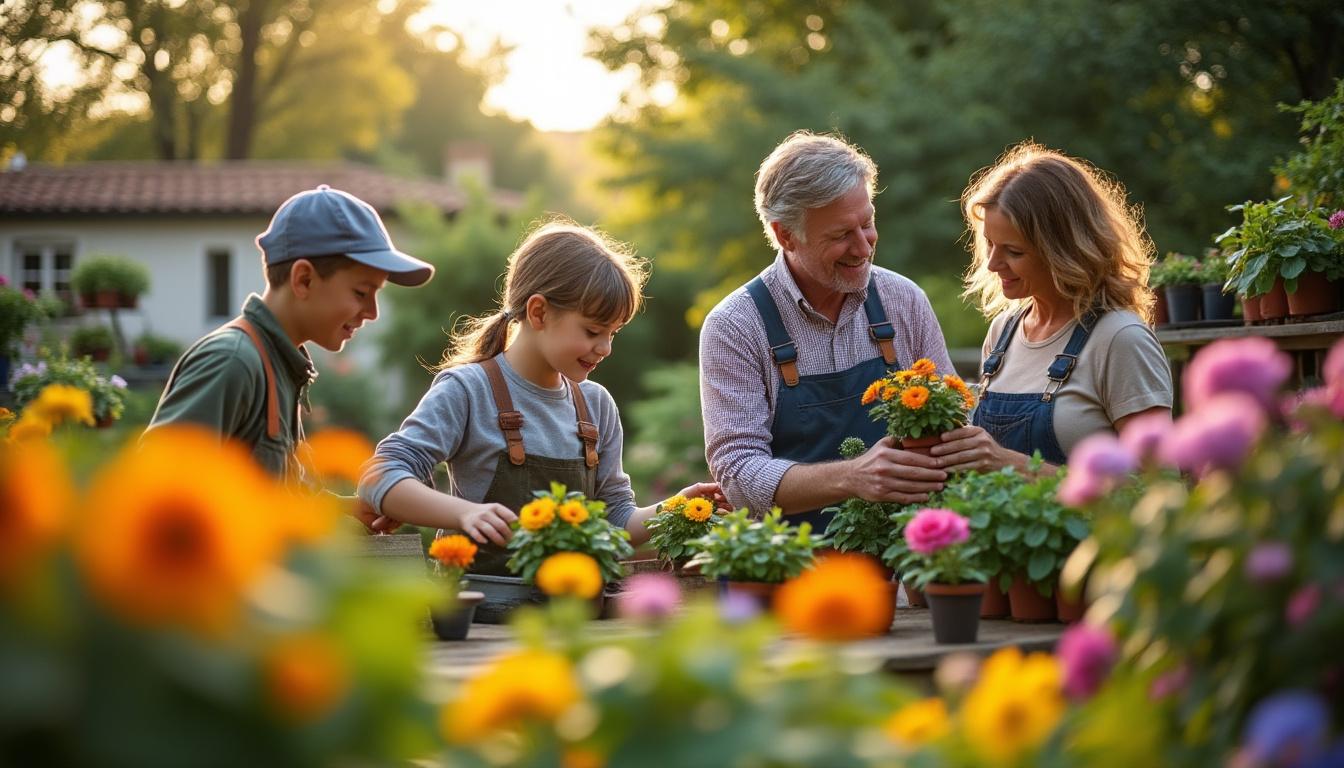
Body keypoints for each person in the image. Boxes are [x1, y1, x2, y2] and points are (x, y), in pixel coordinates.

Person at [357, 222, 721, 573]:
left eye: (613, 333)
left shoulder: (596, 406)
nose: (606, 348)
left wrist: (678, 506)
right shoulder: (468, 390)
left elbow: (617, 522)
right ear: (538, 312)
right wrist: (464, 513)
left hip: (571, 613)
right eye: (593, 330)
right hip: (478, 619)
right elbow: (380, 477)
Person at [699, 131, 961, 530]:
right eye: (840, 235)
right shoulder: (735, 326)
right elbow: (737, 472)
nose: (863, 247)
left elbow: (956, 420)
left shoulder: (903, 300)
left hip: (908, 557)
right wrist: (854, 477)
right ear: (785, 234)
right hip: (793, 564)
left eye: (868, 223)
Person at [146, 185, 433, 482]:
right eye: (361, 292)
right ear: (304, 280)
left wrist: (346, 513)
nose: (372, 312)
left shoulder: (279, 365)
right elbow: (160, 491)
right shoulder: (233, 362)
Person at [929, 142, 1173, 473]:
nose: (992, 263)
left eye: (1014, 252)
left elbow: (1157, 491)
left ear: (1065, 252)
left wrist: (1011, 465)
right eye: (989, 244)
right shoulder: (1004, 332)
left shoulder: (1121, 340)